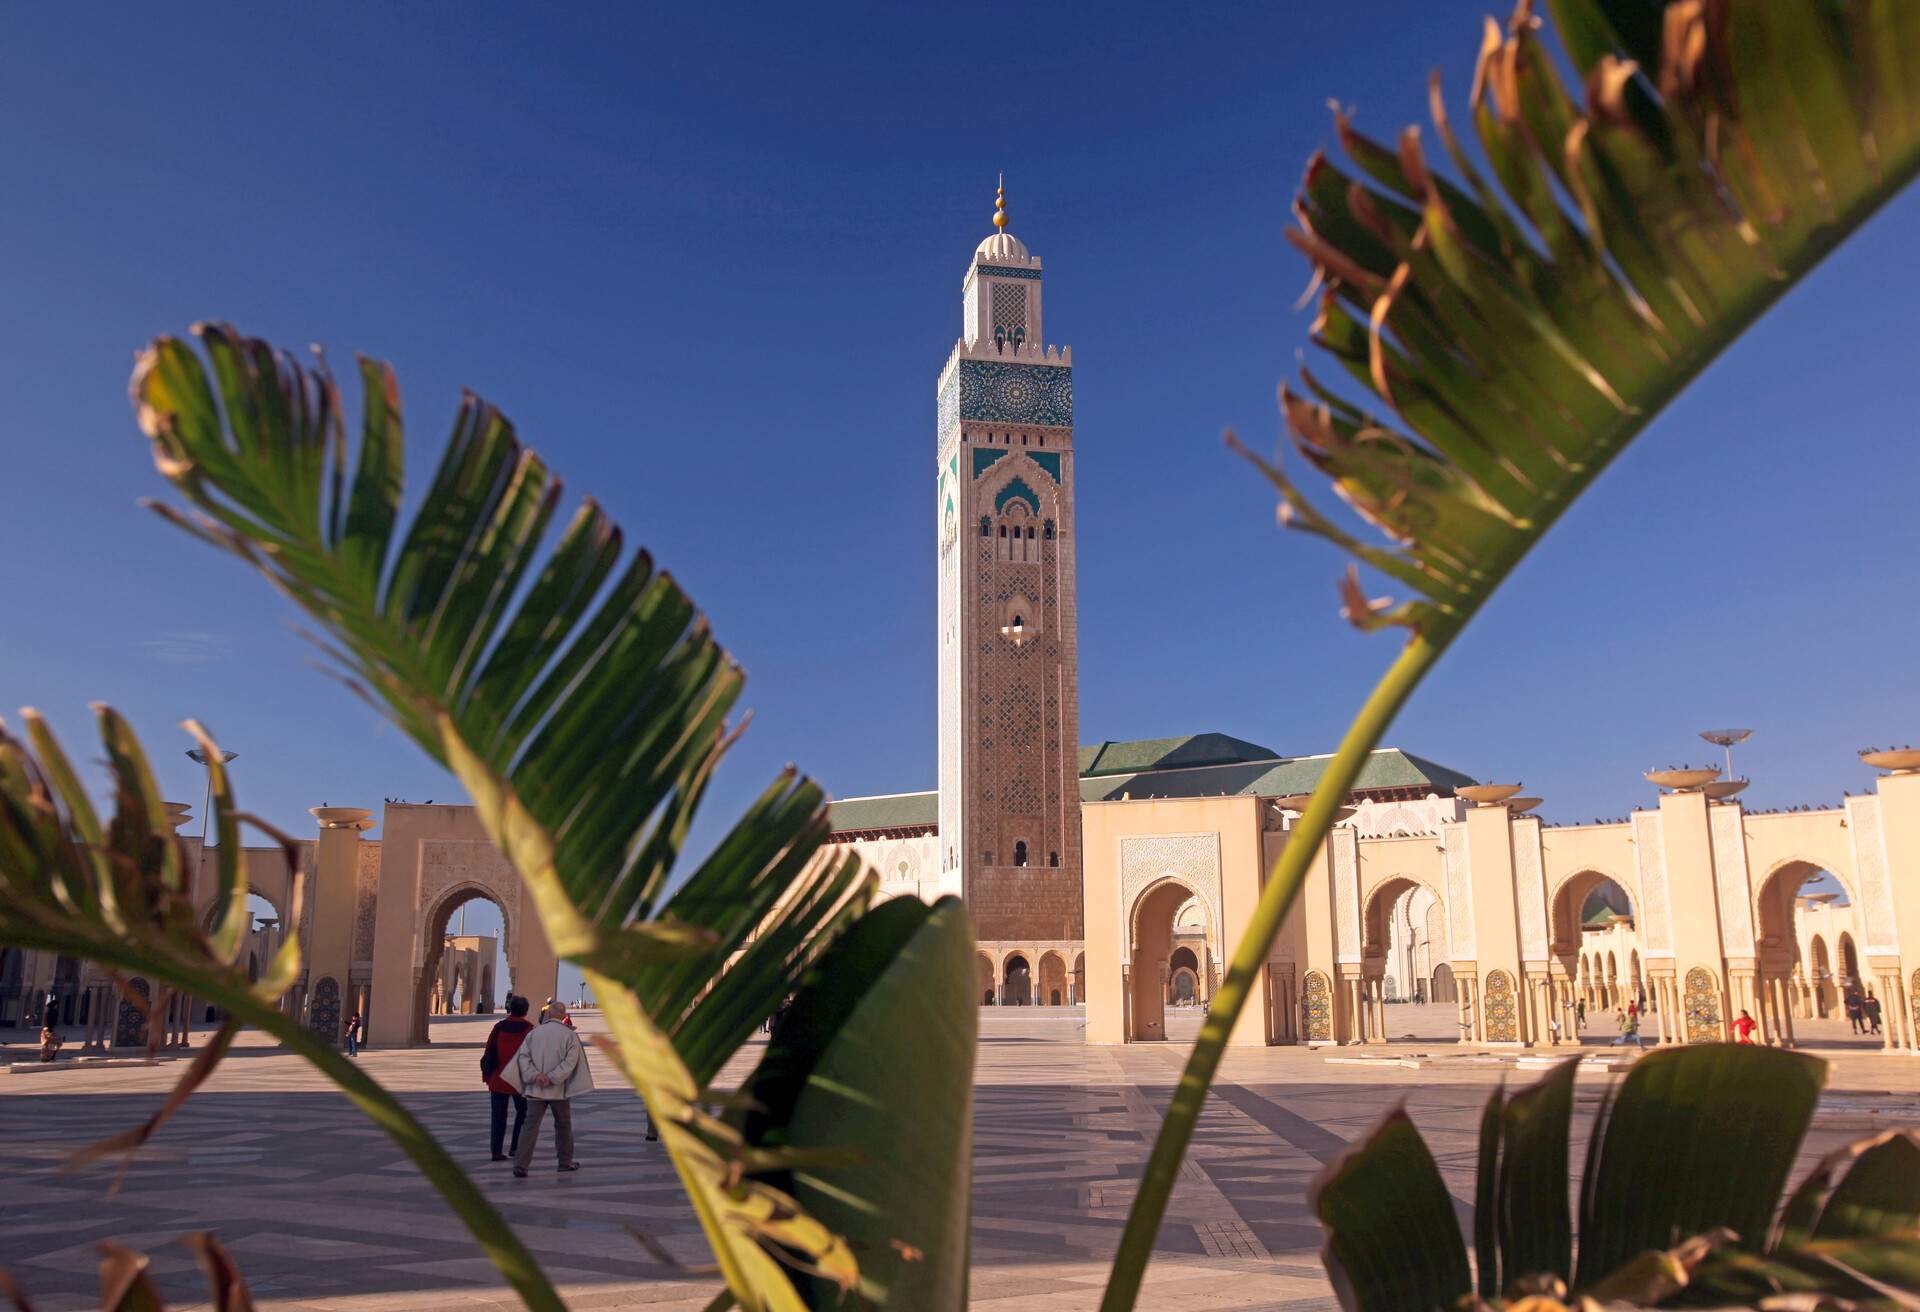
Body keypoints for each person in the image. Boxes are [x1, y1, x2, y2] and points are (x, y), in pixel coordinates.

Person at [505, 999, 594, 1177]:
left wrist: (536, 1076)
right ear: (563, 1016)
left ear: (549, 1014)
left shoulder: (534, 1034)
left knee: (529, 1126)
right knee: (563, 1125)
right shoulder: (569, 1036)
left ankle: (521, 1165)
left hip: (536, 1089)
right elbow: (570, 1063)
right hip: (558, 1091)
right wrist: (553, 1078)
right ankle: (564, 1162)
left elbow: (523, 1058)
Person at [482, 995, 535, 1162]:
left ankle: (496, 1151)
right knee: (523, 1114)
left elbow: (488, 1052)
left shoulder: (499, 1027)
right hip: (519, 1081)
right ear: (525, 1011)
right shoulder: (529, 1030)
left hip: (498, 1080)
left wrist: (487, 1077)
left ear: (510, 1009)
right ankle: (515, 1147)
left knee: (498, 1116)